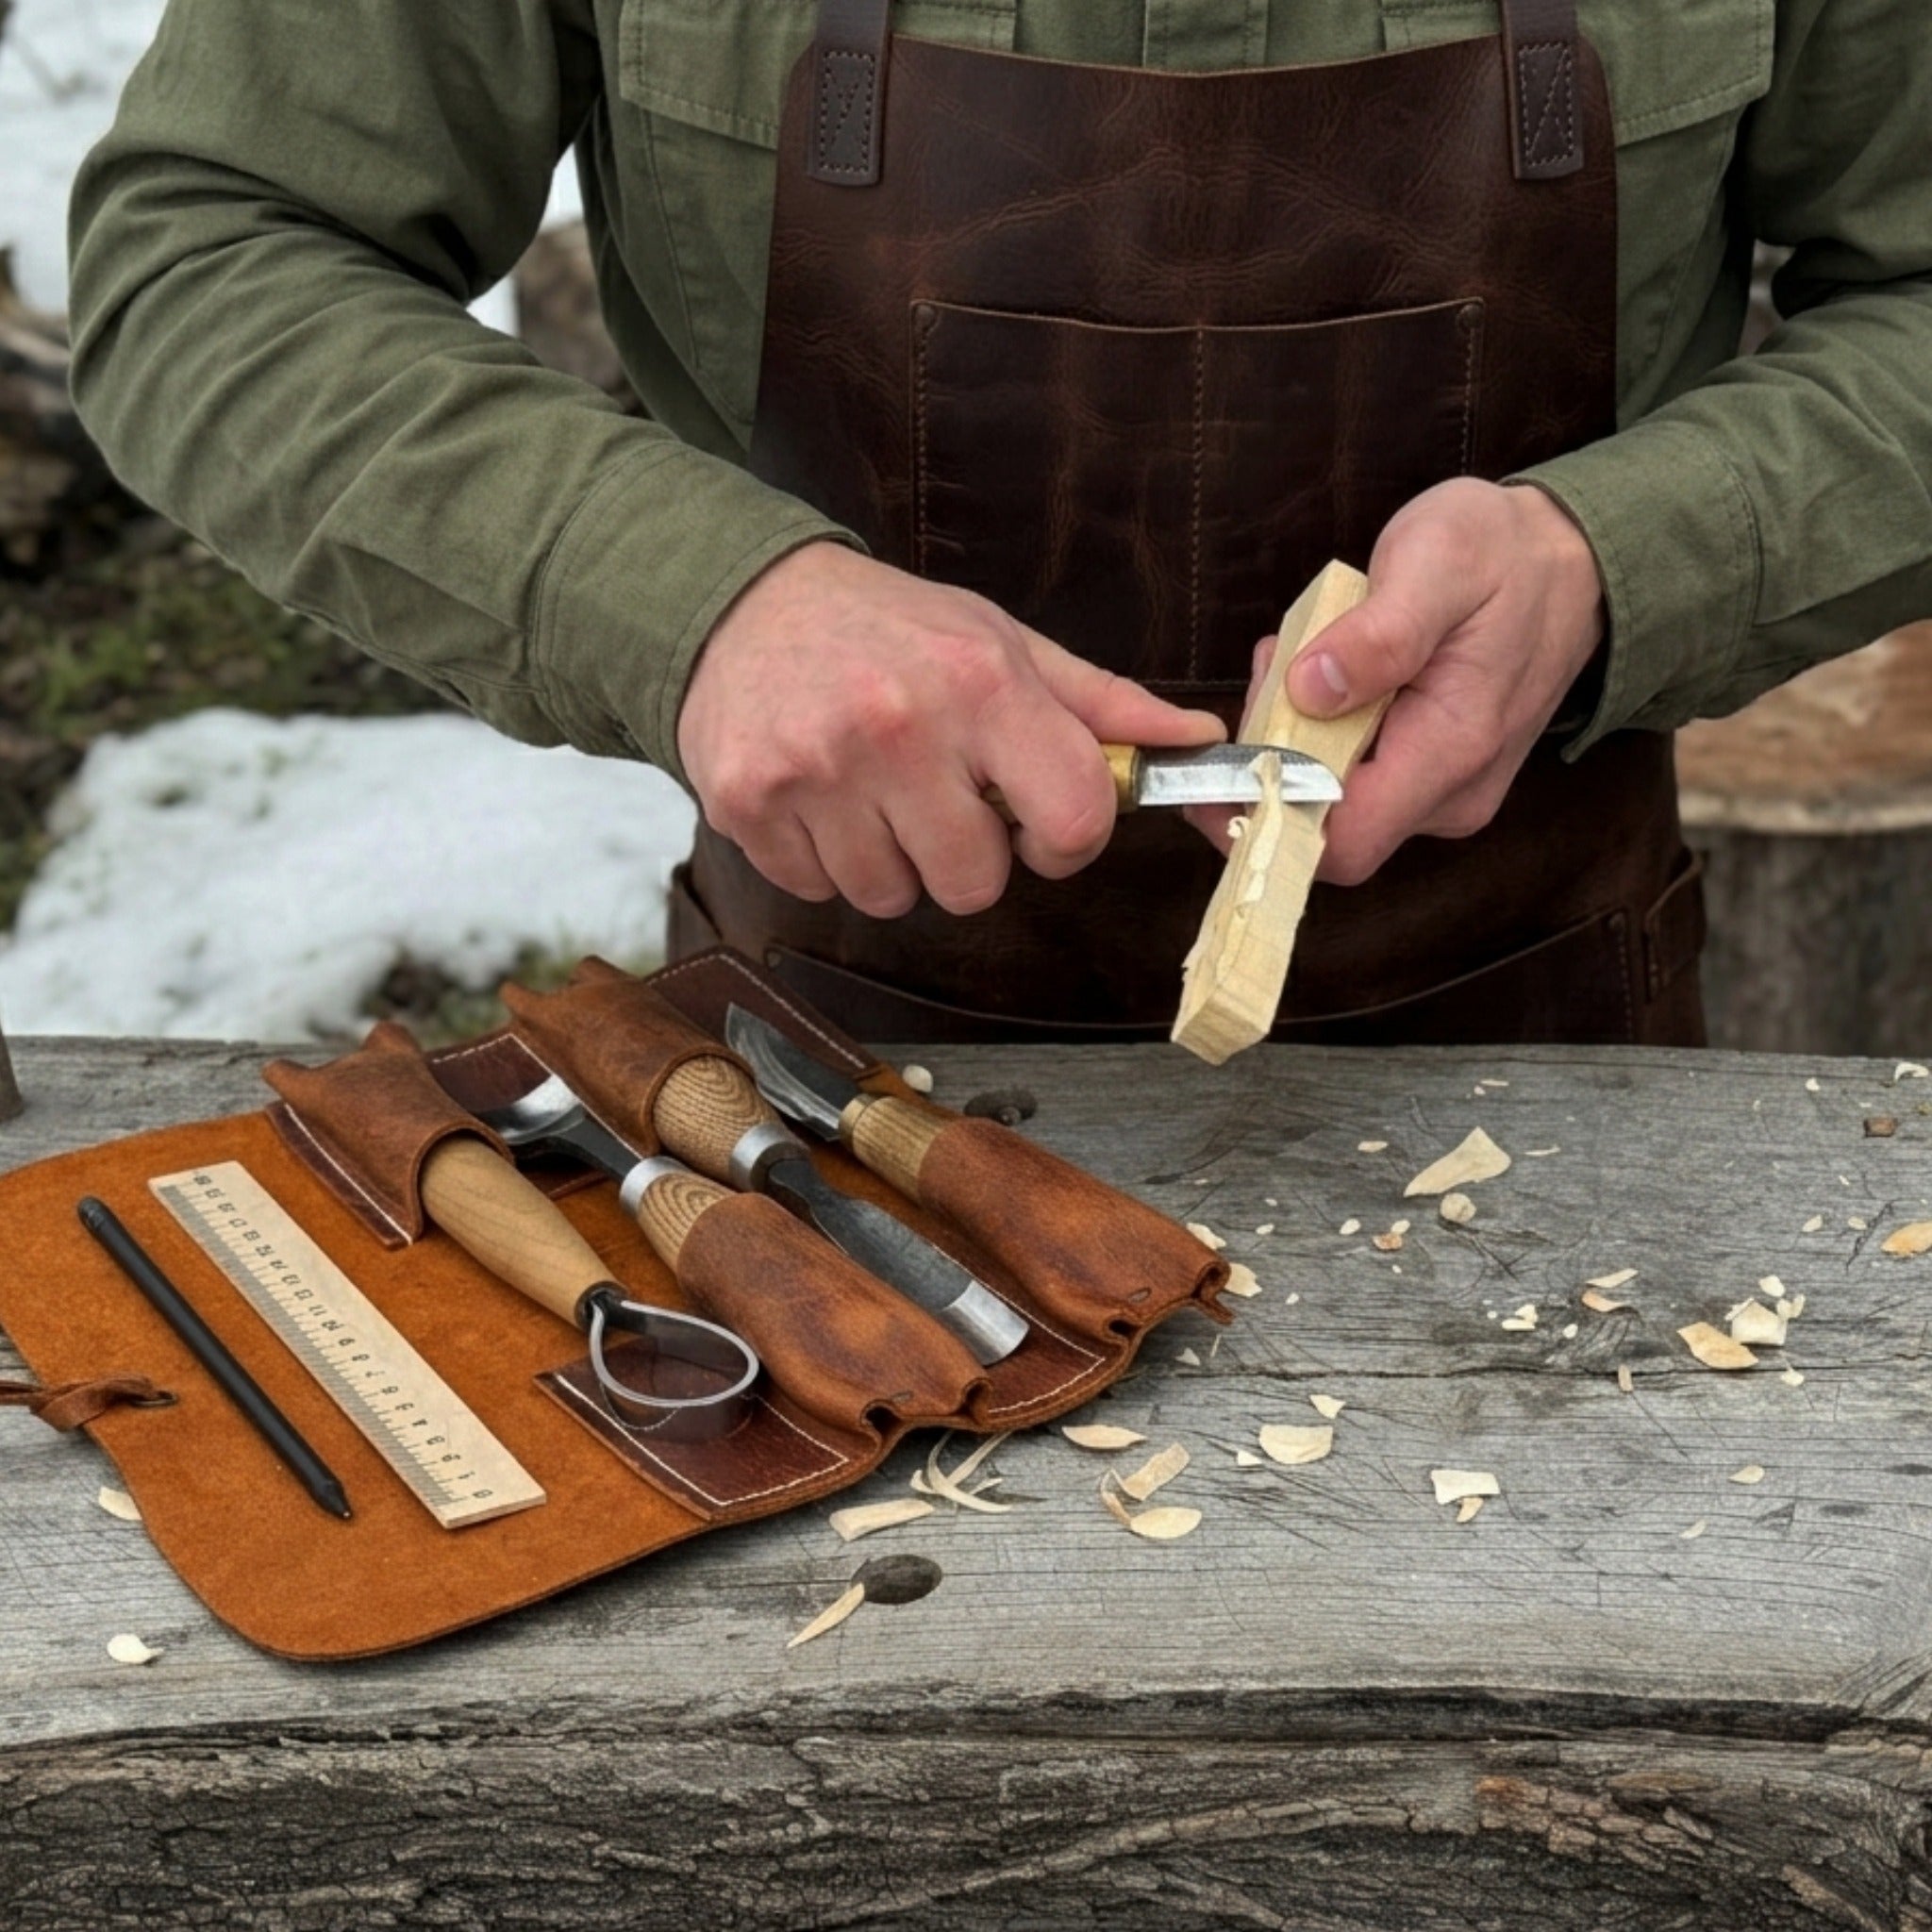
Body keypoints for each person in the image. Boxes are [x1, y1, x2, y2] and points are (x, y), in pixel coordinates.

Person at [68, 0, 1932, 1044]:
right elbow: (212, 248)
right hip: (826, 1070)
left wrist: (1622, 559)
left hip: (1557, 1047)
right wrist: (693, 601)